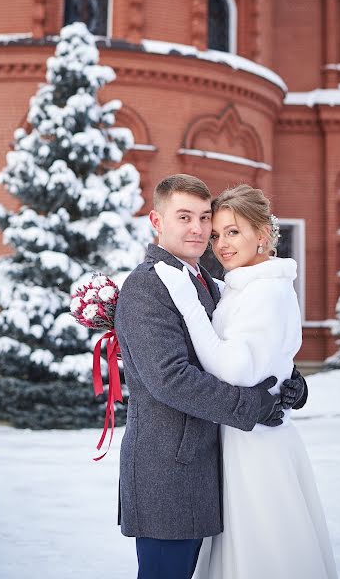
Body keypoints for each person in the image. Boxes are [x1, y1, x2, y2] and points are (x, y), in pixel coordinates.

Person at [114, 174, 307, 579]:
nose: (200, 230)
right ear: (156, 220)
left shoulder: (211, 284)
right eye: (185, 217)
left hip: (210, 467)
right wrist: (251, 404)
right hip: (168, 468)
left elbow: (245, 342)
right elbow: (170, 379)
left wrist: (287, 377)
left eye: (206, 218)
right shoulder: (146, 287)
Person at [155, 183, 338, 579]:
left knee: (262, 550)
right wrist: (288, 373)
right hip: (240, 434)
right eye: (217, 233)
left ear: (263, 235)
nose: (220, 244)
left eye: (233, 232)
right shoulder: (241, 286)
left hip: (254, 444)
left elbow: (235, 370)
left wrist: (187, 306)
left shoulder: (264, 292)